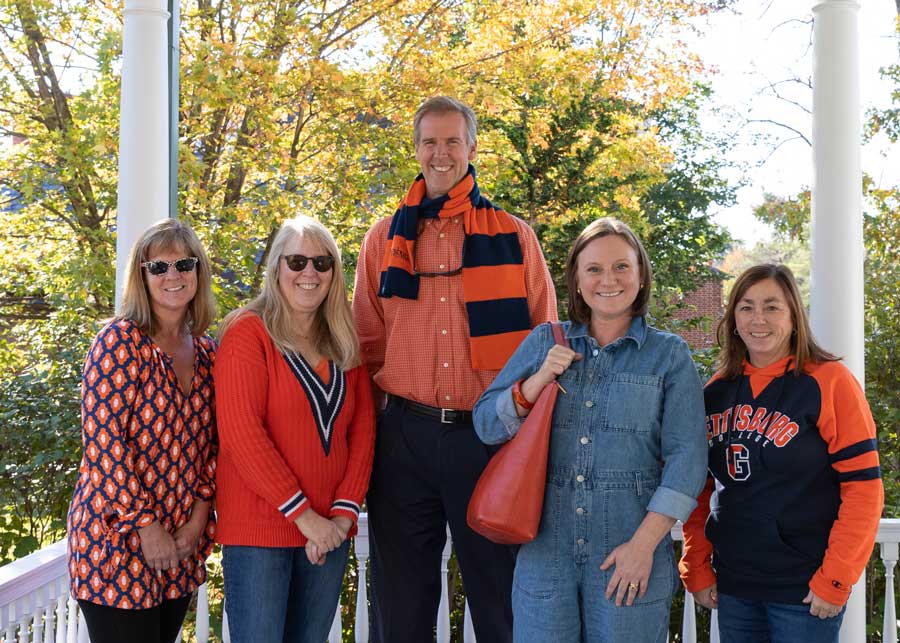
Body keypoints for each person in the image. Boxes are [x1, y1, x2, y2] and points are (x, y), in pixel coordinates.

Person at [353, 95, 557, 642]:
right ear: (416, 150)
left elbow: (545, 341)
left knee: (502, 600)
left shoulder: (514, 238)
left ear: (470, 147)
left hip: (489, 438)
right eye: (429, 142)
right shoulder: (382, 241)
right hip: (404, 437)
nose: (439, 153)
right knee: (399, 603)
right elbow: (367, 346)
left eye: (451, 141)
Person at [473, 217, 707, 642]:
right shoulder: (546, 341)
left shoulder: (668, 356)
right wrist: (537, 380)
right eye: (594, 269)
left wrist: (643, 548)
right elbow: (486, 424)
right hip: (545, 555)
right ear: (577, 280)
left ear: (640, 275)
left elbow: (687, 461)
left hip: (630, 553)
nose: (608, 280)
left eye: (621, 267)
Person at [679, 263, 884, 643]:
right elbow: (698, 489)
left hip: (805, 589)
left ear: (793, 315)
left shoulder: (828, 381)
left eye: (772, 306)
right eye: (746, 307)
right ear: (733, 319)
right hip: (735, 587)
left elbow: (863, 489)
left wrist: (835, 576)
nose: (759, 319)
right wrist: (696, 565)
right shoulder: (715, 392)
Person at [215, 215, 375, 643]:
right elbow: (241, 435)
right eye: (297, 261)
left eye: (322, 264)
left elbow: (362, 434)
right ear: (276, 268)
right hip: (261, 532)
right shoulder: (248, 333)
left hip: (329, 532)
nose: (310, 273)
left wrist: (341, 518)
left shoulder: (343, 339)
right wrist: (306, 519)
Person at [67, 218, 218, 643]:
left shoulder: (208, 352)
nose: (173, 276)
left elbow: (213, 447)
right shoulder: (118, 343)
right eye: (159, 267)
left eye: (184, 265)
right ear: (142, 276)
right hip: (117, 543)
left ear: (198, 273)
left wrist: (197, 520)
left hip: (180, 545)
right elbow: (104, 447)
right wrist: (147, 528)